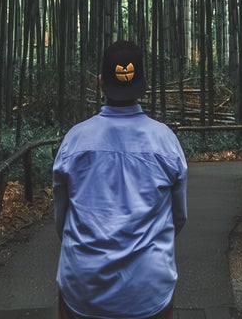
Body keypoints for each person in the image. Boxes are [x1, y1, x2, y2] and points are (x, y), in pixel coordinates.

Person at [53, 40, 188, 319]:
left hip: (84, 287)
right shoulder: (166, 141)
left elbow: (61, 218)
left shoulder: (74, 140)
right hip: (149, 289)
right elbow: (178, 217)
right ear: (144, 83)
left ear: (100, 82)